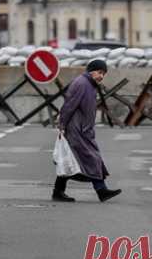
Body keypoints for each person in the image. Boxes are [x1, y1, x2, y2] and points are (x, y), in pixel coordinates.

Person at [52, 59, 122, 203]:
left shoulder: (89, 84)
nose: (101, 76)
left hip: (83, 130)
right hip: (76, 130)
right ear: (91, 71)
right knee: (91, 158)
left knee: (72, 161)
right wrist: (62, 125)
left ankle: (58, 192)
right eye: (100, 72)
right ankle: (101, 190)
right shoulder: (82, 83)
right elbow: (69, 105)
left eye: (104, 73)